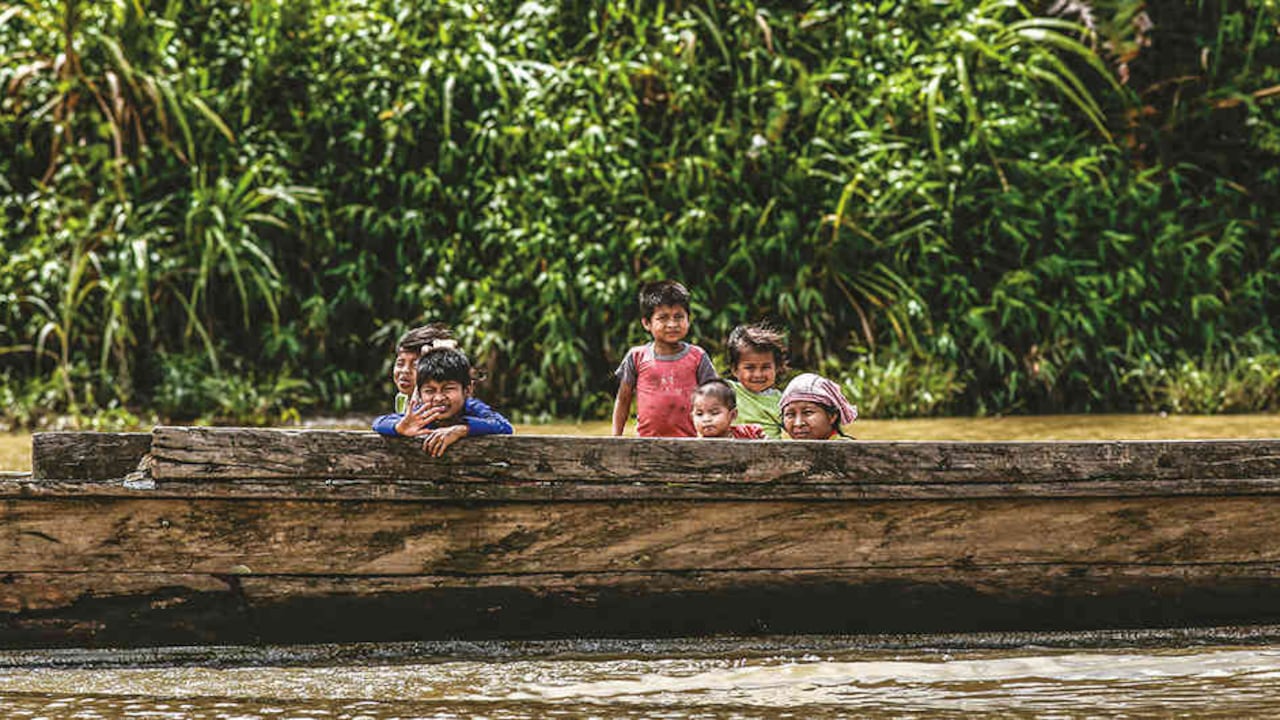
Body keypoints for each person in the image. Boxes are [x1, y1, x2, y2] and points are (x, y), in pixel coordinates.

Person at [612, 280, 718, 437]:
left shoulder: (697, 356)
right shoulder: (637, 357)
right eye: (663, 318)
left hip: (691, 443)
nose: (672, 324)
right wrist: (616, 438)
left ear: (688, 319)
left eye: (678, 317)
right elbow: (623, 400)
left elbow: (716, 398)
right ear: (647, 323)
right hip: (646, 444)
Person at [372, 347, 512, 456]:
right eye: (430, 391)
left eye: (448, 389)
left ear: (467, 390)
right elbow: (378, 422)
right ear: (419, 394)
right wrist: (399, 427)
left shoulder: (472, 407)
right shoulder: (422, 414)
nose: (438, 398)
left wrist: (461, 430)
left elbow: (504, 426)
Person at [724, 323, 787, 438]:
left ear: (776, 368)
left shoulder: (783, 401)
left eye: (765, 367)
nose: (758, 374)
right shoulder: (726, 391)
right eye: (750, 368)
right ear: (735, 370)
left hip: (770, 453)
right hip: (730, 451)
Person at [389, 323, 456, 413]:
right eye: (400, 363)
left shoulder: (439, 404)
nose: (405, 371)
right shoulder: (402, 398)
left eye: (415, 365)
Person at [779, 373, 858, 440]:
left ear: (832, 416)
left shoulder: (847, 451)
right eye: (790, 414)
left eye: (808, 412)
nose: (798, 423)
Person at [690, 379, 766, 439]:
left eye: (714, 413)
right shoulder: (693, 445)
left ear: (732, 415)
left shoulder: (745, 433)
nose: (706, 419)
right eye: (699, 414)